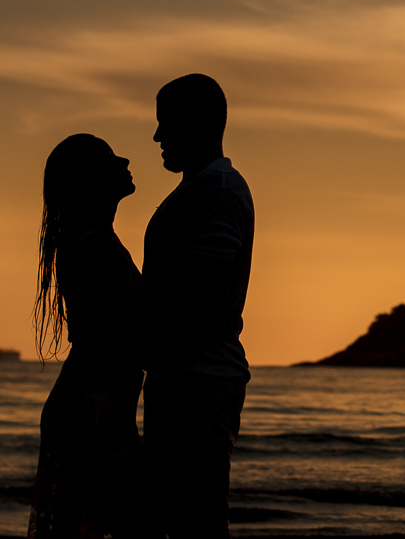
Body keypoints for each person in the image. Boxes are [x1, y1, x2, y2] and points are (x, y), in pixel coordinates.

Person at [142, 73, 254, 538]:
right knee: (176, 514)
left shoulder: (217, 190)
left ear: (200, 124)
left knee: (197, 519)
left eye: (165, 123)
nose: (157, 137)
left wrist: (147, 346)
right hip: (187, 373)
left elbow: (202, 294)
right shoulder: (204, 189)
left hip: (198, 376)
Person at [28, 134, 149, 538]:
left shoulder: (95, 241)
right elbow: (119, 339)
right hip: (94, 416)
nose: (125, 160)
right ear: (88, 179)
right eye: (110, 156)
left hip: (94, 409)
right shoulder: (97, 248)